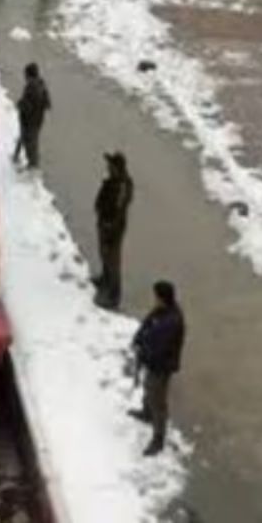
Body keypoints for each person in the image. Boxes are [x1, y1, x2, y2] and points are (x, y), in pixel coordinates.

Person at [130, 280, 186, 456]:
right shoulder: (162, 311)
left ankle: (158, 438)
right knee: (148, 387)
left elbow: (159, 348)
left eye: (156, 297)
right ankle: (147, 412)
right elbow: (147, 324)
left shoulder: (171, 322)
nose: (154, 300)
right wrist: (138, 339)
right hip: (153, 362)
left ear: (162, 298)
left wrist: (144, 354)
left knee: (158, 399)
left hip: (161, 366)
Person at [92, 152, 134, 310]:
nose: (107, 167)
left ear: (117, 167)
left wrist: (111, 226)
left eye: (110, 165)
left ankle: (113, 296)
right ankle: (105, 279)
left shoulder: (122, 185)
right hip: (105, 223)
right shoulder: (113, 180)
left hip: (113, 227)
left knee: (113, 259)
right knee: (104, 253)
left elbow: (119, 209)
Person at [13, 63, 51, 168]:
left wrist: (19, 104)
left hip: (29, 122)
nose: (24, 77)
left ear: (29, 75)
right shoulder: (41, 84)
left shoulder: (31, 88)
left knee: (30, 143)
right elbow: (48, 104)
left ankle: (33, 165)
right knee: (27, 139)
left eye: (25, 74)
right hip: (37, 120)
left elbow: (27, 106)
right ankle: (16, 157)